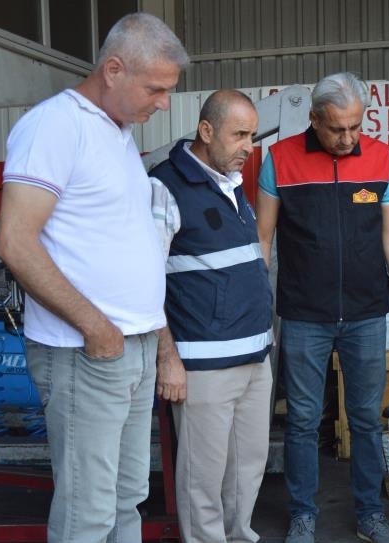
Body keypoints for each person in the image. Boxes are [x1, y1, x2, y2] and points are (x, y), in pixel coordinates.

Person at [0, 13, 188, 543]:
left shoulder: (118, 134)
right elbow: (14, 242)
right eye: (157, 89)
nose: (164, 103)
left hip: (133, 346)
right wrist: (97, 328)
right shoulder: (57, 125)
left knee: (128, 497)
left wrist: (155, 340)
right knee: (88, 510)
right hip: (89, 351)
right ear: (114, 69)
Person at [255, 72, 389, 543]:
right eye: (336, 129)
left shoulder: (381, 158)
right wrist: (258, 309)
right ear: (313, 119)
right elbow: (262, 241)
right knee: (304, 421)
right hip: (304, 315)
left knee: (366, 420)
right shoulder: (279, 161)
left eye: (355, 127)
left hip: (368, 314)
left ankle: (370, 515)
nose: (348, 138)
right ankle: (303, 515)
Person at [148, 90, 273, 543]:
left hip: (254, 356)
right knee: (202, 477)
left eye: (252, 136)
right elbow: (145, 281)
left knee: (246, 469)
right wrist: (168, 358)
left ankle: (240, 536)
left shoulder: (230, 183)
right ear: (206, 131)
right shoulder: (165, 187)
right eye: (239, 134)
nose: (248, 146)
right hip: (202, 364)